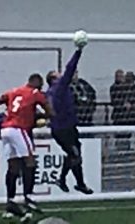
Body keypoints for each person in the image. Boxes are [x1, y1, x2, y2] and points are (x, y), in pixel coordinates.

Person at [0, 73, 54, 219]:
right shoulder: (35, 93)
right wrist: (44, 117)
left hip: (5, 129)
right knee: (30, 161)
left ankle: (11, 200)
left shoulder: (14, 91)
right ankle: (29, 197)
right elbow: (49, 111)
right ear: (38, 84)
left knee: (13, 166)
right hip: (19, 129)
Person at [47, 40, 93, 195]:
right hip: (63, 129)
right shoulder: (58, 88)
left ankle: (73, 182)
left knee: (74, 154)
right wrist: (78, 51)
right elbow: (69, 69)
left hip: (66, 127)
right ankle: (73, 182)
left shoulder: (52, 92)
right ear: (53, 79)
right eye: (57, 74)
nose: (60, 75)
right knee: (75, 155)